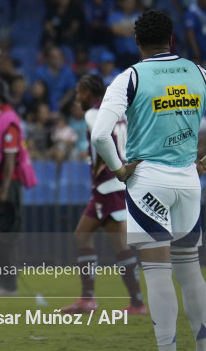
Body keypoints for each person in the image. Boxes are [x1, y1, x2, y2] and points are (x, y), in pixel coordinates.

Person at [91, 10, 206, 351]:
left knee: (158, 271)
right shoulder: (198, 73)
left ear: (137, 42)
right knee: (190, 270)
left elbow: (100, 134)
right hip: (189, 181)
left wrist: (118, 170)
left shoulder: (130, 77)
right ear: (172, 39)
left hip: (148, 181)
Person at [60, 74, 146, 315]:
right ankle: (88, 298)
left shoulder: (92, 114)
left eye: (80, 93)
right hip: (109, 186)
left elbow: (100, 138)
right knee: (82, 235)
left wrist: (102, 165)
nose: (77, 98)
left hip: (109, 184)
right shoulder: (118, 113)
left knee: (119, 244)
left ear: (89, 92)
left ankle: (137, 303)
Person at [0, 78, 37, 298]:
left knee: (4, 236)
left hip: (6, 185)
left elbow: (11, 156)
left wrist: (5, 186)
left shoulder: (9, 119)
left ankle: (9, 286)